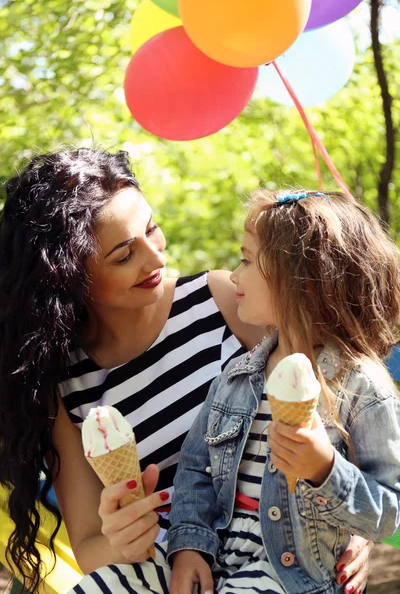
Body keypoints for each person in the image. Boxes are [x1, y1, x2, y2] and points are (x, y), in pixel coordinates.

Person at [0, 149, 371, 594]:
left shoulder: (220, 300)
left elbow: (338, 410)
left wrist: (356, 526)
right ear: (66, 275)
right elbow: (89, 548)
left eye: (151, 229)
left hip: (282, 557)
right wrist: (122, 536)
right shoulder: (63, 387)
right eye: (123, 256)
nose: (155, 259)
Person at [71, 188, 400, 594]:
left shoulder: (361, 388)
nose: (234, 274)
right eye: (123, 255)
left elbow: (388, 510)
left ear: (305, 284)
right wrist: (188, 546)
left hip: (289, 569)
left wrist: (325, 471)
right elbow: (196, 470)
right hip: (217, 554)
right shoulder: (236, 376)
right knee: (108, 583)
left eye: (246, 261)